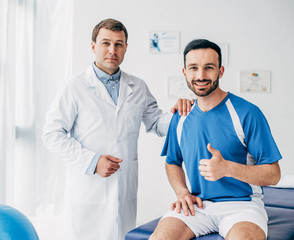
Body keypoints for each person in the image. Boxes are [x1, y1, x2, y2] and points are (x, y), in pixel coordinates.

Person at [42, 18, 192, 240]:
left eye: (119, 44)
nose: (112, 50)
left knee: (122, 235)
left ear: (126, 48)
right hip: (89, 187)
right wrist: (93, 162)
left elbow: (157, 124)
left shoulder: (138, 86)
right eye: (106, 43)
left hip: (124, 187)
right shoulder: (73, 87)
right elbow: (52, 134)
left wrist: (181, 114)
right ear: (93, 46)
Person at [149, 39, 282, 240]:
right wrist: (182, 192)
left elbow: (273, 174)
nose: (201, 75)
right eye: (193, 68)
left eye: (208, 68)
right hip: (198, 207)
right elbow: (172, 162)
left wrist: (228, 168)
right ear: (185, 72)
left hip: (243, 206)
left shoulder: (247, 113)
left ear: (220, 71)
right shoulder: (180, 116)